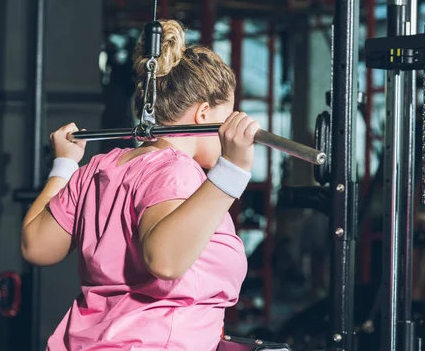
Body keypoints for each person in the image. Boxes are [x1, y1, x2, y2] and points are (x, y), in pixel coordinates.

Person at [20, 20, 260, 351]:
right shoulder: (178, 172)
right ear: (205, 114)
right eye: (227, 114)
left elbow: (37, 245)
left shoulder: (98, 168)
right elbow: (163, 261)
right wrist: (232, 171)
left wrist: (64, 165)